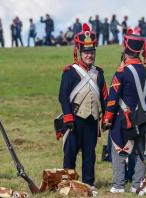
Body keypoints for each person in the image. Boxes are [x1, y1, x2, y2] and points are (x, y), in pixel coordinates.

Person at [58, 23, 108, 189]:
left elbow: (104, 97)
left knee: (89, 155)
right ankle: (67, 183)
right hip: (75, 119)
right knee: (70, 154)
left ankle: (88, 183)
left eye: (92, 52)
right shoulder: (70, 72)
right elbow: (63, 97)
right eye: (86, 52)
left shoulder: (99, 73)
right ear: (80, 52)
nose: (89, 55)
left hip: (92, 120)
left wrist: (106, 117)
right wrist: (68, 117)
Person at [103, 29, 146, 193]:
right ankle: (137, 185)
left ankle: (118, 185)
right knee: (140, 152)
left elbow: (113, 98)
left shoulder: (122, 72)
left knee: (119, 151)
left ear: (126, 50)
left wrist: (108, 117)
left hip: (123, 119)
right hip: (143, 118)